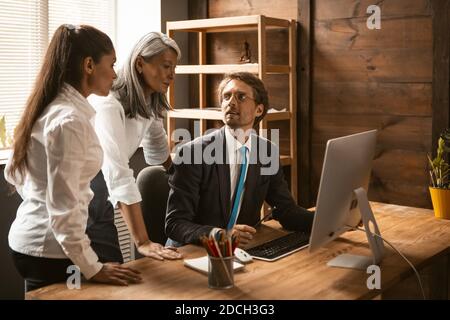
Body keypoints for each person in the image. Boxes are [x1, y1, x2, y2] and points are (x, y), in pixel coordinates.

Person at [4, 24, 141, 291]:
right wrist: (94, 267)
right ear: (89, 65)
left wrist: (42, 201)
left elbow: (16, 174)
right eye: (111, 64)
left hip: (35, 244)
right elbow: (64, 209)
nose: (115, 74)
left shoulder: (51, 108)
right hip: (51, 253)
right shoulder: (69, 121)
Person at [165, 72, 314, 246]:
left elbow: (286, 211)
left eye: (241, 97)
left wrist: (331, 220)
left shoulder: (267, 152)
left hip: (240, 249)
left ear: (259, 109)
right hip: (194, 250)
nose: (231, 102)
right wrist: (220, 235)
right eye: (226, 97)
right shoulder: (192, 153)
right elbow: (175, 224)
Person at [87, 32, 182, 262]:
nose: (172, 74)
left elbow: (158, 147)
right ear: (140, 63)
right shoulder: (109, 104)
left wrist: (184, 180)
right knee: (107, 271)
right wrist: (143, 242)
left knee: (113, 268)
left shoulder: (149, 101)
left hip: (104, 188)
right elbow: (118, 173)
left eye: (174, 68)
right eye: (166, 66)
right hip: (88, 188)